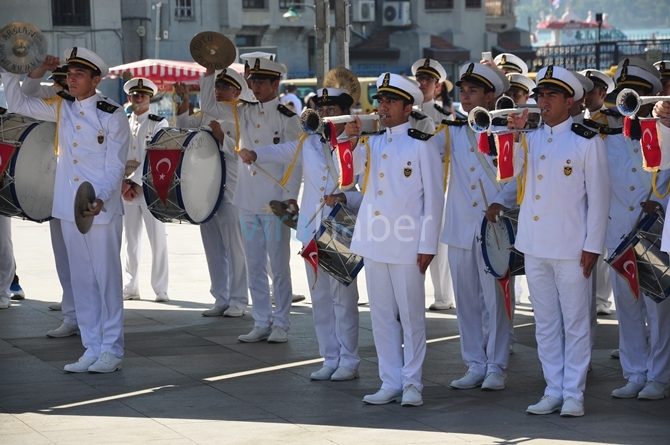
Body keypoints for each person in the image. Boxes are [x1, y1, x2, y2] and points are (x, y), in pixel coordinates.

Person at [489, 65, 610, 416]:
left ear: (569, 100)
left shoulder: (587, 141)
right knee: (545, 322)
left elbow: (599, 200)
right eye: (540, 95)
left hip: (572, 245)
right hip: (535, 243)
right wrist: (508, 135)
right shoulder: (531, 137)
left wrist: (592, 246)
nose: (543, 102)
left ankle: (573, 392)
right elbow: (508, 171)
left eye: (551, 96)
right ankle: (552, 387)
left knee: (574, 321)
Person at [1, 47, 130, 373]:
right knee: (83, 280)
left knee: (107, 281)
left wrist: (100, 198)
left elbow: (115, 166)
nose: (71, 79)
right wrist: (21, 70)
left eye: (79, 74)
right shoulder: (62, 106)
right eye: (69, 74)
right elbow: (16, 103)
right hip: (68, 207)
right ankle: (91, 347)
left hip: (98, 209)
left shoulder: (111, 113)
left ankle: (112, 349)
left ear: (95, 79)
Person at [239, 86, 362, 381]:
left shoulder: (358, 144)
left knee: (343, 297)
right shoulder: (310, 140)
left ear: (345, 113)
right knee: (319, 296)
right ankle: (329, 357)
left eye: (331, 110)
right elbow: (284, 151)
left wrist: (348, 198)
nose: (324, 115)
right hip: (311, 227)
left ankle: (349, 360)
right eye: (321, 110)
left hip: (341, 224)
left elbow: (365, 186)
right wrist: (256, 153)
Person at [344, 73, 444, 406]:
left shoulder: (421, 144)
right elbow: (347, 175)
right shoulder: (371, 142)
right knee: (382, 315)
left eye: (390, 101)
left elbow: (434, 198)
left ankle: (412, 382)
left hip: (406, 243)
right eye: (381, 100)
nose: (382, 107)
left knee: (412, 316)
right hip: (374, 241)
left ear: (407, 107)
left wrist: (428, 245)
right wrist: (349, 140)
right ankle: (390, 380)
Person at [198, 55, 302, 343]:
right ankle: (261, 321)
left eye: (260, 81)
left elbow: (295, 159)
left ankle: (281, 322)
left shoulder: (287, 117)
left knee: (278, 267)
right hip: (246, 199)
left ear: (275, 83)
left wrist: (289, 199)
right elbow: (208, 107)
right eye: (252, 81)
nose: (254, 86)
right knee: (254, 263)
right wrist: (210, 73)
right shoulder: (243, 112)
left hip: (273, 202)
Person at [432, 62, 514, 392]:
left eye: (473, 91)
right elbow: (422, 148)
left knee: (495, 302)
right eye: (463, 91)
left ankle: (496, 366)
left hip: (493, 227)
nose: (465, 97)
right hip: (460, 228)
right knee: (465, 301)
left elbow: (516, 173)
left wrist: (503, 199)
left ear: (490, 95)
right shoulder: (450, 129)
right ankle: (474, 363)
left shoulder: (505, 130)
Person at [604, 58, 670, 401]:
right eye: (627, 98)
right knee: (627, 308)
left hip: (654, 233)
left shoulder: (665, 135)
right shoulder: (606, 139)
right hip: (618, 234)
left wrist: (659, 206)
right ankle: (634, 372)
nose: (631, 105)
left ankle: (658, 376)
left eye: (639, 97)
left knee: (658, 309)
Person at [174, 69, 249, 317]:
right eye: (216, 86)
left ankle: (239, 299)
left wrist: (222, 138)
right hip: (206, 190)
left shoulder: (242, 114)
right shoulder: (208, 112)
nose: (218, 91)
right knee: (213, 246)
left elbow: (246, 151)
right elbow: (183, 126)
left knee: (235, 248)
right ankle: (221, 297)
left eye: (223, 87)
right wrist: (183, 100)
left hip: (232, 191)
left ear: (236, 92)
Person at [19, 59, 79, 336]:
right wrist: (39, 70)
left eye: (74, 77)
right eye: (64, 78)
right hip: (56, 184)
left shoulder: (95, 105)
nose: (66, 83)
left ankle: (91, 316)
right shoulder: (53, 98)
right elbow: (27, 94)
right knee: (63, 255)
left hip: (85, 190)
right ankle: (72, 315)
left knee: (89, 259)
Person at [411, 58, 455, 311]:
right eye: (419, 79)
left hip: (438, 183)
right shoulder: (403, 114)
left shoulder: (443, 117)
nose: (422, 83)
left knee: (438, 240)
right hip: (410, 185)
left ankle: (443, 296)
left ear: (438, 87)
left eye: (428, 80)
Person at [121, 77, 170, 303]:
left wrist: (135, 182)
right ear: (129, 97)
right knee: (130, 241)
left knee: (157, 240)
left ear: (150, 97)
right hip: (126, 190)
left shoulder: (158, 123)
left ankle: (160, 288)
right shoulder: (122, 122)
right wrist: (124, 183)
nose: (138, 98)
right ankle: (130, 287)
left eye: (142, 95)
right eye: (134, 95)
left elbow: (156, 155)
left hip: (150, 189)